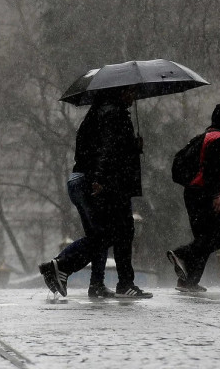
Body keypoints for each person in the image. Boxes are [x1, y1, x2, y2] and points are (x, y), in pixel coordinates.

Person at [40, 87, 152, 299]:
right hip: (99, 182)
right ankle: (61, 266)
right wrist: (100, 179)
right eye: (130, 92)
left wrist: (132, 147)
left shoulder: (96, 114)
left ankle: (96, 283)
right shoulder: (113, 113)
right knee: (113, 233)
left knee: (100, 234)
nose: (133, 96)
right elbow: (107, 150)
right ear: (119, 92)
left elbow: (101, 148)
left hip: (81, 180)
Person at [167, 104, 220, 292]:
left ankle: (188, 281)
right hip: (204, 193)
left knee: (204, 239)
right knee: (216, 238)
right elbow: (212, 170)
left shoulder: (204, 136)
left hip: (192, 192)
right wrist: (215, 195)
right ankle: (182, 254)